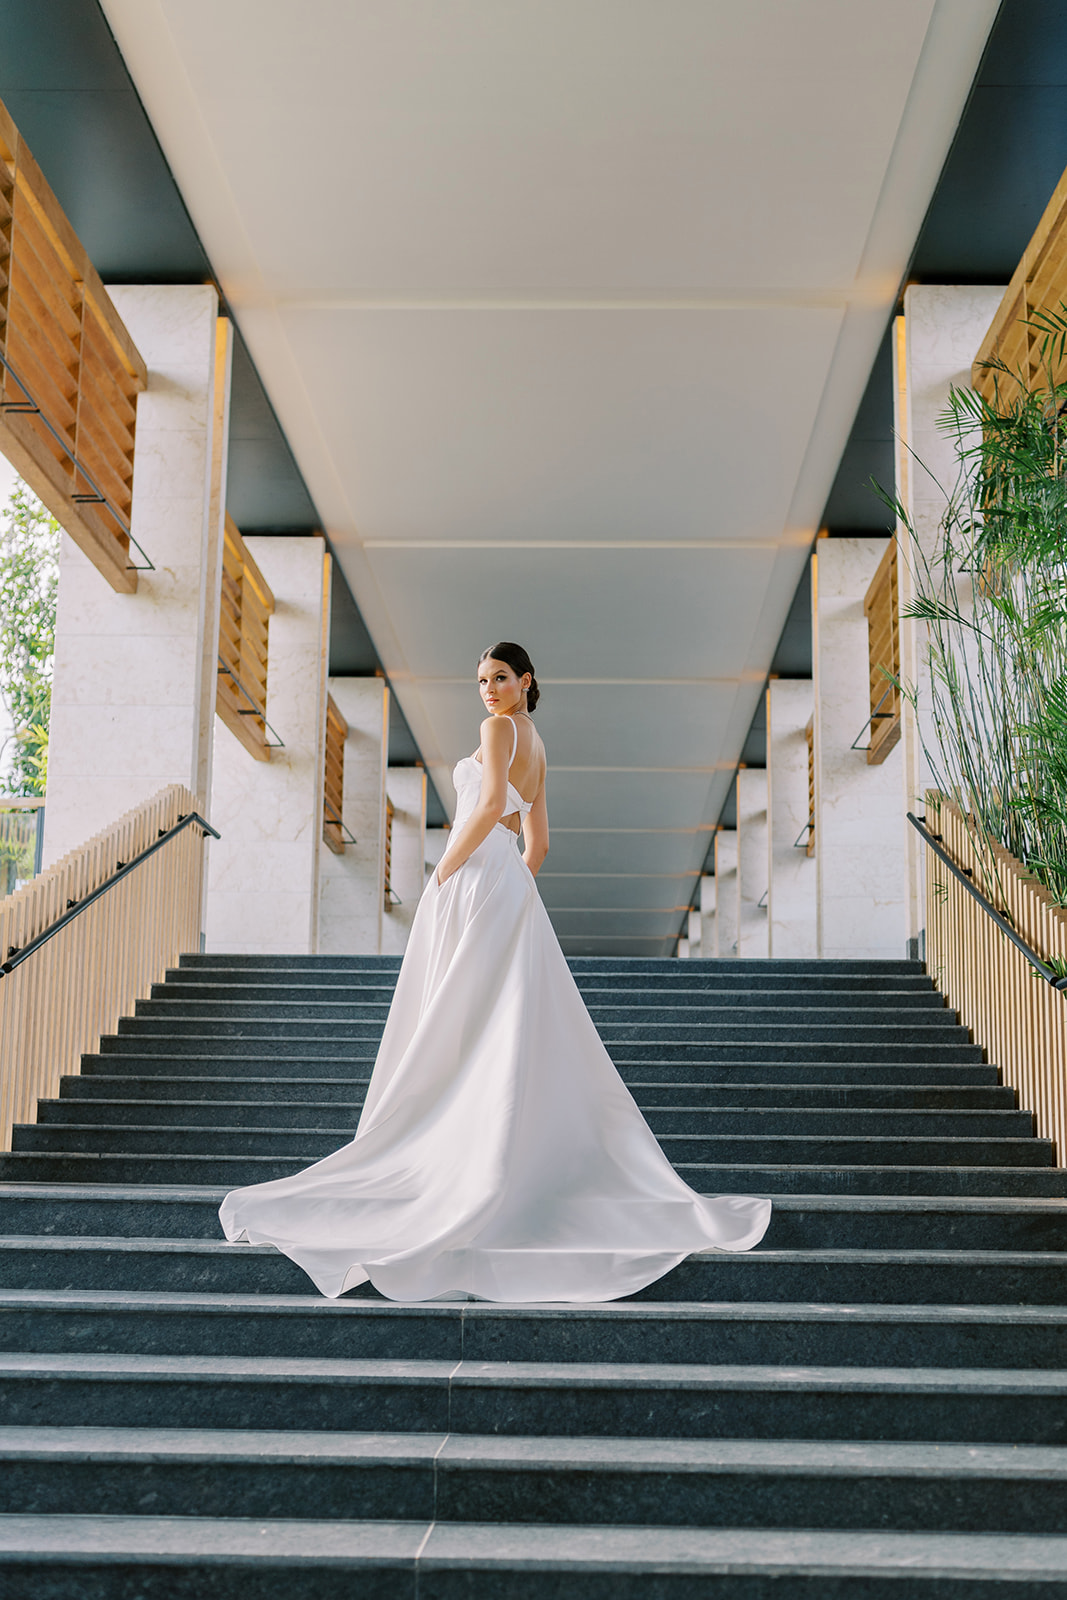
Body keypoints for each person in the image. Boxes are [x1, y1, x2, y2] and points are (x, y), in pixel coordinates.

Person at [219, 642, 771, 1300]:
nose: (487, 689)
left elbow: (483, 811)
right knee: (501, 1019)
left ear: (525, 680)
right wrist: (510, 884)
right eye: (480, 679)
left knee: (460, 1016)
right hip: (509, 884)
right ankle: (496, 1155)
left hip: (475, 874)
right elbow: (538, 844)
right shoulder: (535, 743)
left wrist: (447, 872)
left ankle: (459, 1160)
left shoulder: (498, 729)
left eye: (499, 678)